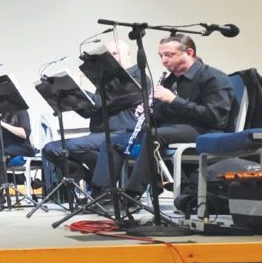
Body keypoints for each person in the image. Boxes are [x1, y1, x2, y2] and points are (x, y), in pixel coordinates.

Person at [96, 34, 234, 196]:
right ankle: (102, 195)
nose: (164, 60)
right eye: (161, 56)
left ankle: (132, 193)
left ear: (189, 53)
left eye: (169, 55)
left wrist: (174, 100)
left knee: (154, 135)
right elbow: (166, 113)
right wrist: (149, 111)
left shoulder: (214, 78)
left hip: (205, 129)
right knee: (114, 141)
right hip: (174, 130)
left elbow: (214, 117)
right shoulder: (171, 80)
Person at [41, 39, 139, 191]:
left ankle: (102, 187)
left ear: (129, 54)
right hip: (99, 134)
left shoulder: (137, 78)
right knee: (51, 149)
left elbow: (105, 102)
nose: (113, 58)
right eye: (110, 55)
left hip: (122, 134)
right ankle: (94, 181)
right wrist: (72, 94)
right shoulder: (107, 80)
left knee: (66, 147)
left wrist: (78, 90)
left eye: (115, 53)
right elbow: (89, 112)